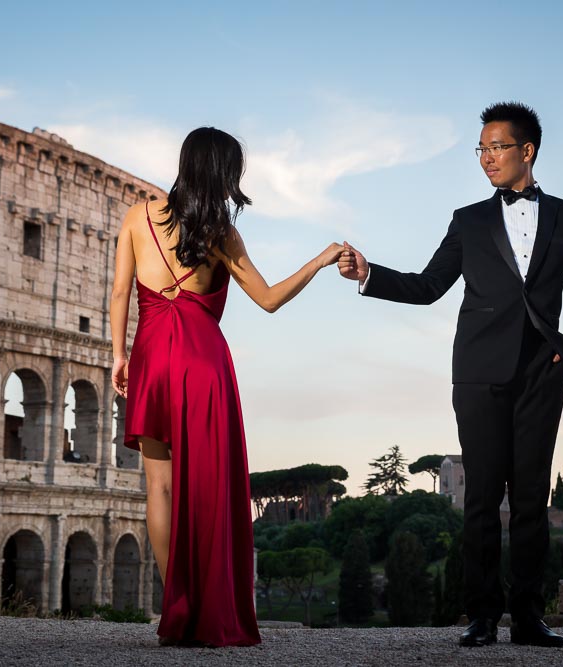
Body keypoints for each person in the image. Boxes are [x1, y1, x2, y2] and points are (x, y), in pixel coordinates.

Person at [338, 102, 563, 648]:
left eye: (497, 148)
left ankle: (529, 618)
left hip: (544, 371)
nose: (486, 158)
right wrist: (369, 275)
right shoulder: (469, 220)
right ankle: (483, 617)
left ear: (527, 151)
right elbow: (427, 285)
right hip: (478, 373)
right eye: (480, 150)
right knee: (483, 498)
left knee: (532, 499)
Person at [109, 127, 343, 647]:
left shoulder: (136, 215)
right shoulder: (222, 234)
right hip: (202, 365)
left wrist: (118, 356)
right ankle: (208, 610)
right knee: (210, 491)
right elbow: (269, 299)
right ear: (224, 174)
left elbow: (121, 289)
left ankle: (178, 607)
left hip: (150, 358)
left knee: (159, 487)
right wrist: (319, 260)